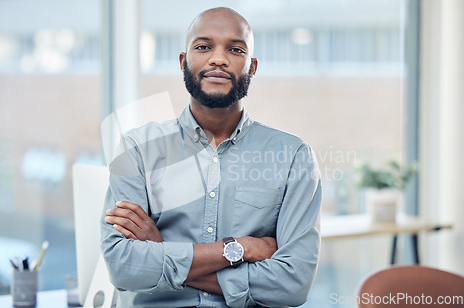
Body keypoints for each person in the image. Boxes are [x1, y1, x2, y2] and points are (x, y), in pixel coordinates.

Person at [101, 7, 321, 308]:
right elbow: (124, 268)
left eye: (235, 49)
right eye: (203, 47)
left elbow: (293, 284)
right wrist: (239, 248)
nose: (219, 58)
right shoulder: (137, 148)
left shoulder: (293, 156)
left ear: (252, 67)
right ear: (183, 62)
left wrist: (162, 251)